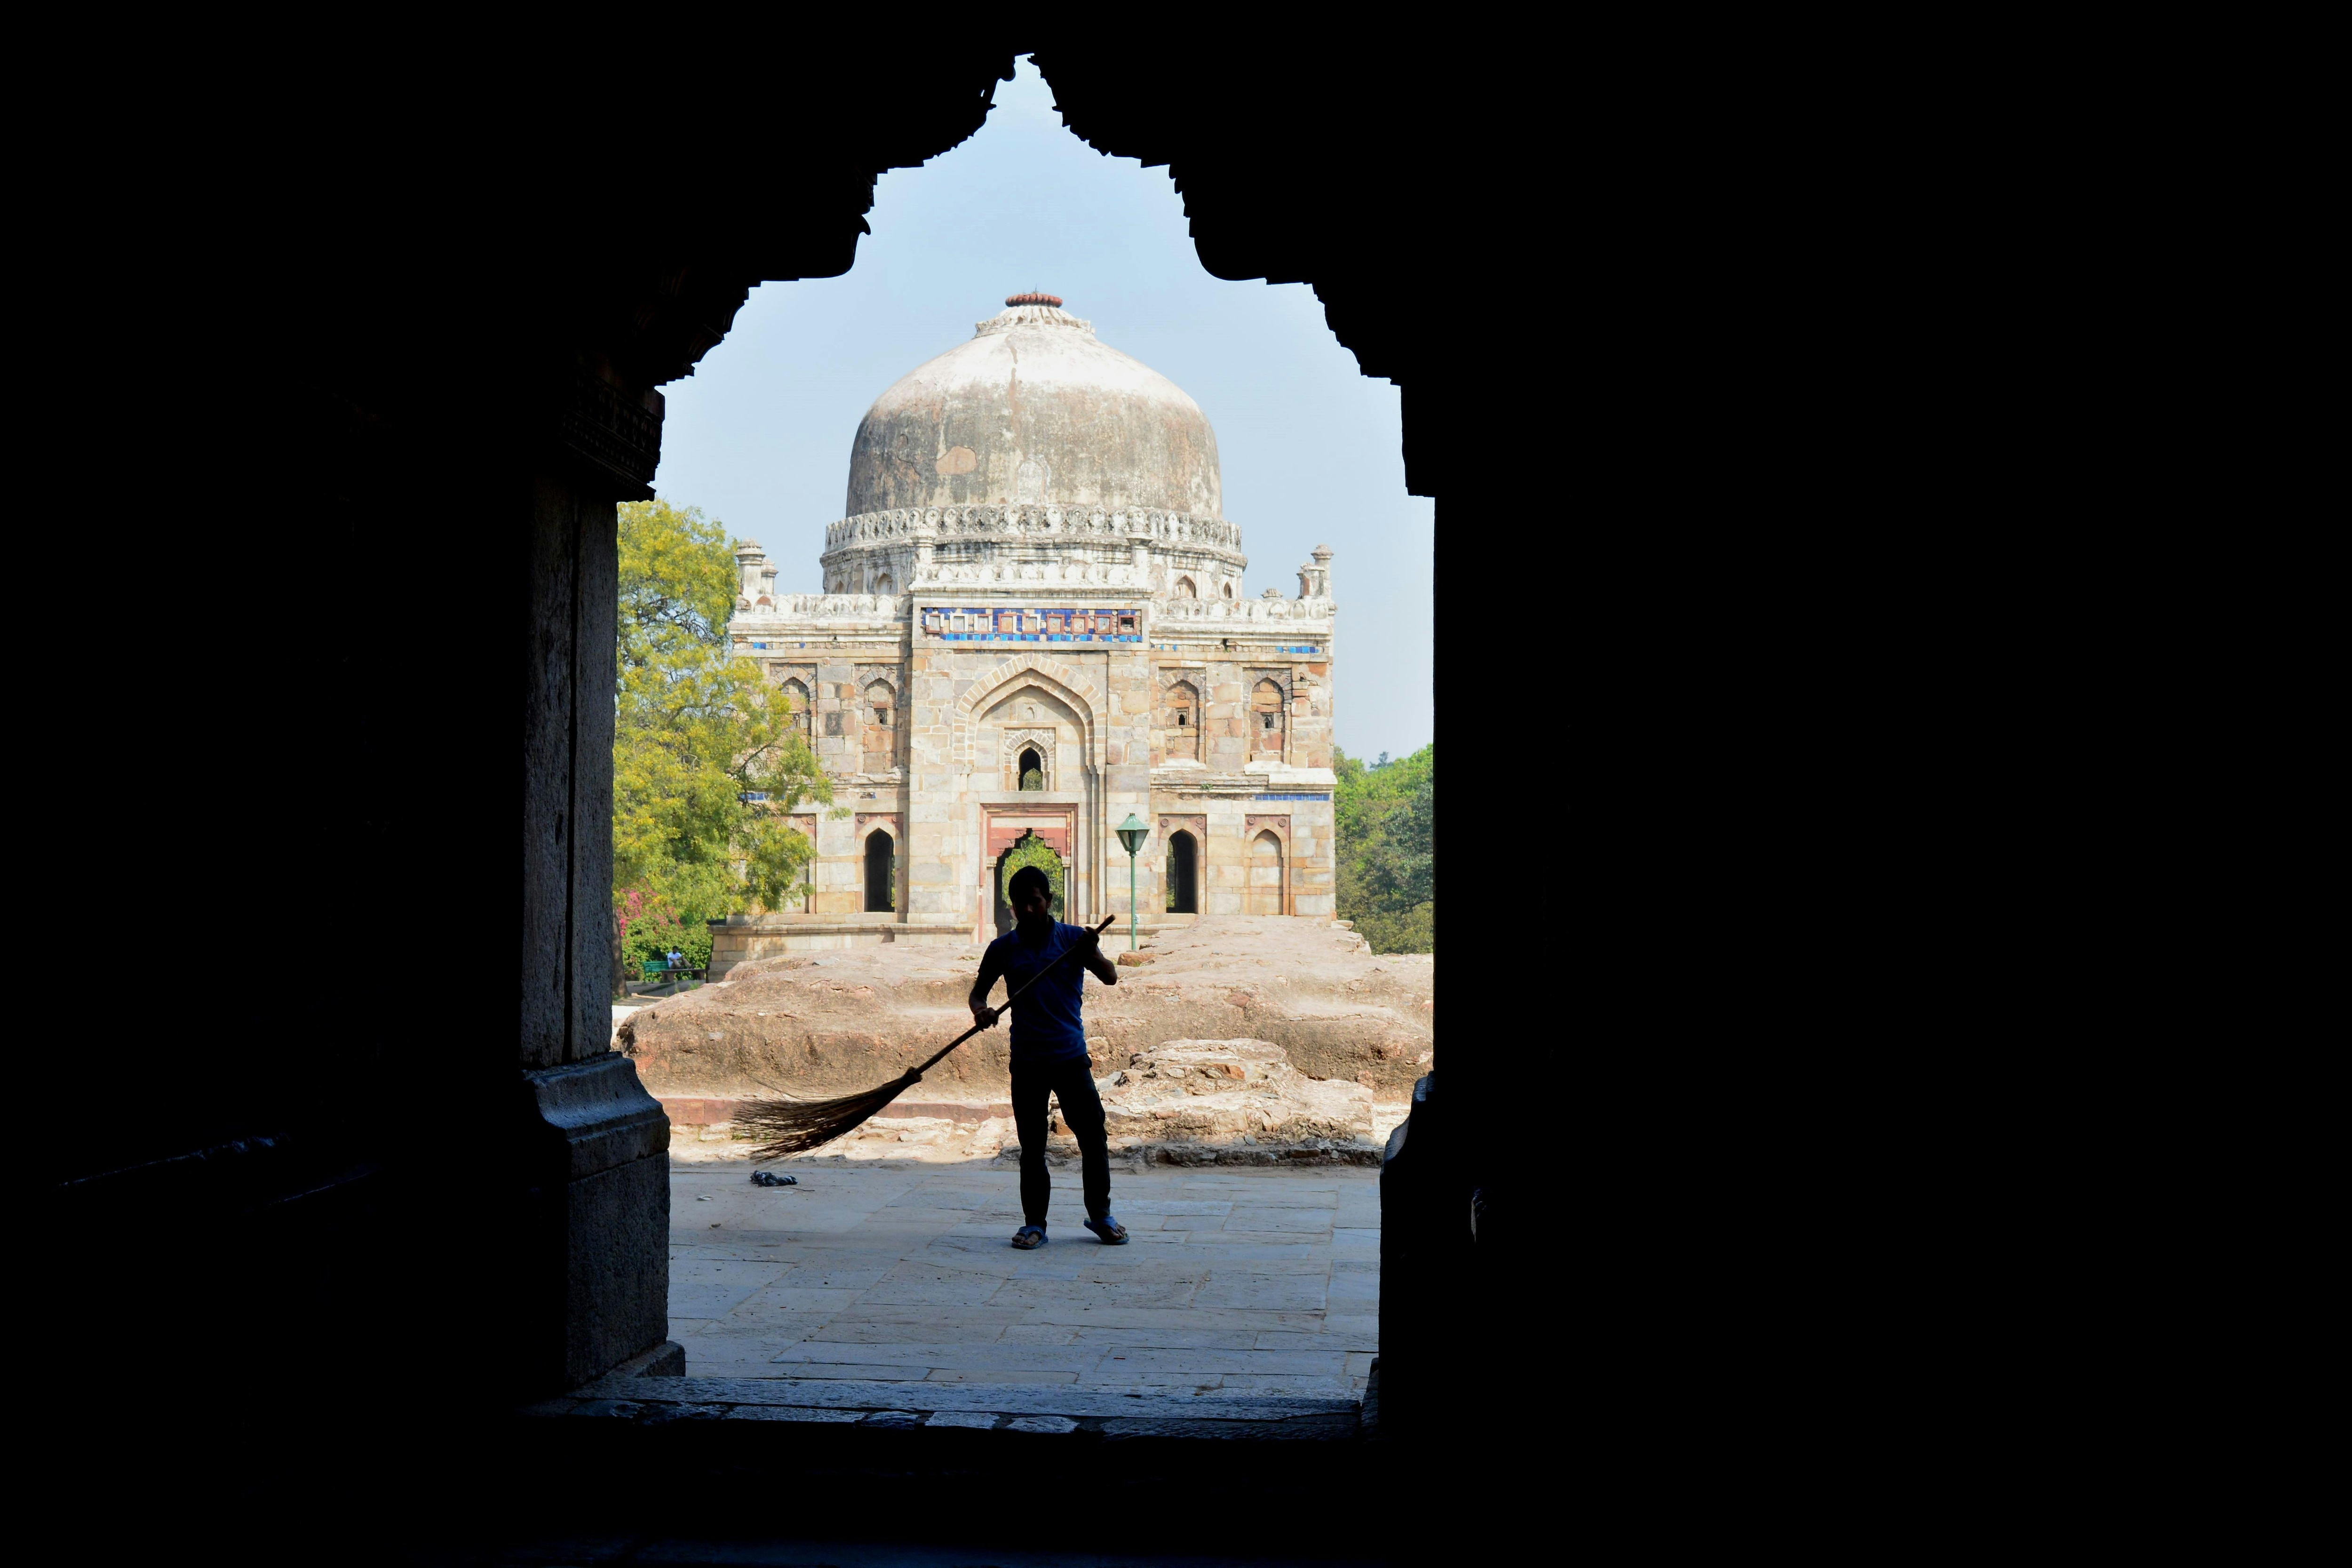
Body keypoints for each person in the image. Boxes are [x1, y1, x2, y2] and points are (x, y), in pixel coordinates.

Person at [969, 865, 1124, 1249]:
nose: (1029, 910)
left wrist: (1092, 952)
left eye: (1035, 902)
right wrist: (981, 1011)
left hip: (1071, 1057)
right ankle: (1034, 1224)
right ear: (1013, 907)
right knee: (1032, 1146)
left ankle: (1101, 1216)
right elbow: (978, 994)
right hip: (1027, 1062)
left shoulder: (1075, 940)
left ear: (1049, 901)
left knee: (1092, 1137)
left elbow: (1110, 976)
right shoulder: (1002, 948)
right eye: (1021, 904)